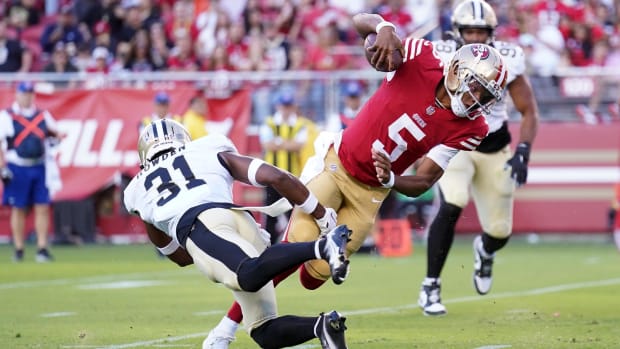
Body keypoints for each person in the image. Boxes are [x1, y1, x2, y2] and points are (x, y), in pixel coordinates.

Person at [204, 12, 509, 347]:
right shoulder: (423, 57)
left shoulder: (474, 127)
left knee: (312, 279)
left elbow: (423, 181)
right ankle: (226, 328)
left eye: (486, 95)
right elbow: (362, 20)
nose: (478, 101)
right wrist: (383, 29)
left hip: (372, 193)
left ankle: (315, 257)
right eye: (476, 88)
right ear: (456, 73)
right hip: (337, 165)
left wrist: (392, 178)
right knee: (293, 248)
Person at [123, 118, 350, 349]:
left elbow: (177, 256)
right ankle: (323, 326)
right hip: (239, 218)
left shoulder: (136, 190)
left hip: (200, 226)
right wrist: (321, 213)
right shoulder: (207, 148)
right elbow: (277, 177)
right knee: (263, 330)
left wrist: (205, 249)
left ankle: (323, 247)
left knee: (247, 276)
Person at [417, 0, 539, 316]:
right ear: (456, 32)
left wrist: (524, 150)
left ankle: (484, 252)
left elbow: (528, 110)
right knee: (452, 201)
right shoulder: (441, 53)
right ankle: (430, 285)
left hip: (494, 145)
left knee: (499, 231)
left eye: (480, 31)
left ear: (491, 33)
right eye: (468, 30)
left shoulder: (508, 59)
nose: (474, 37)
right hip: (456, 145)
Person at [0, 82, 64, 262]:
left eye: (29, 93)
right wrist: (2, 168)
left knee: (42, 207)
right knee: (18, 208)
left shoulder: (42, 115)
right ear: (17, 95)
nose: (27, 97)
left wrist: (55, 140)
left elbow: (56, 133)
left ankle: (42, 247)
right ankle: (19, 248)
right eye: (24, 93)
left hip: (39, 165)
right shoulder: (7, 116)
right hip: (17, 166)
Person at [259, 90, 313, 244]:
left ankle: (294, 244)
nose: (286, 109)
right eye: (284, 106)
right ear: (278, 106)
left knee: (293, 215)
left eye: (289, 106)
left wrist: (278, 142)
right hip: (271, 178)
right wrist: (287, 143)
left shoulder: (299, 124)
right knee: (270, 214)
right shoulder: (269, 122)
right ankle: (268, 247)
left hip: (291, 177)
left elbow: (298, 146)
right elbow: (267, 145)